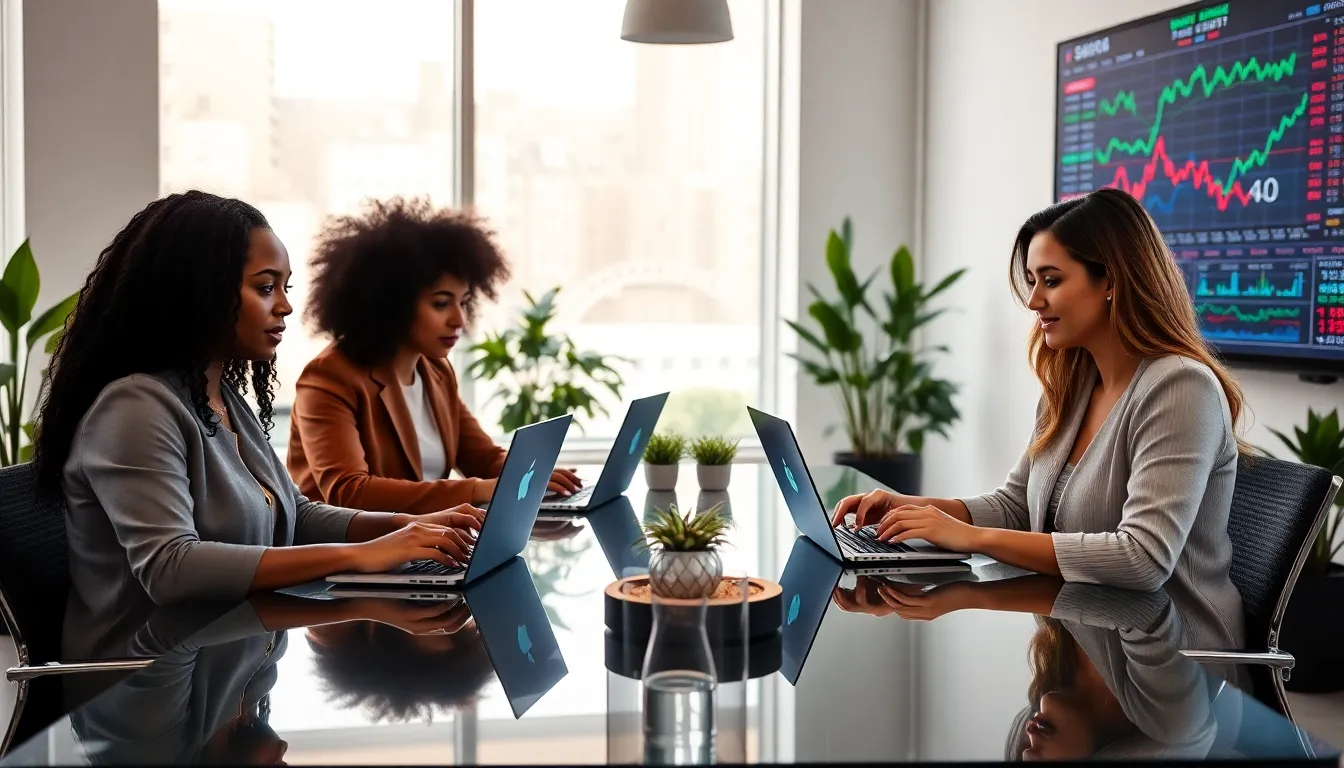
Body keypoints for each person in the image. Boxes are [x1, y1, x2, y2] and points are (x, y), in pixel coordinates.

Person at [34, 191, 485, 659]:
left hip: (222, 652)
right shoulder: (135, 408)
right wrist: (365, 555)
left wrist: (411, 527)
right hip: (141, 687)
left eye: (285, 288)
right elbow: (171, 567)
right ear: (199, 290)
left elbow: (298, 514)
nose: (285, 307)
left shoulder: (220, 395)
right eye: (266, 287)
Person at [832, 188, 1245, 645]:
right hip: (1085, 628)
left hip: (1173, 658)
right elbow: (1015, 506)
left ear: (1111, 281)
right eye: (1031, 280)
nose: (1032, 301)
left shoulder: (1181, 387)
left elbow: (1142, 559)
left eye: (1050, 280)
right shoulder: (1070, 386)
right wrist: (919, 508)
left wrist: (969, 538)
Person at [286, 197, 581, 514]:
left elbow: (482, 457)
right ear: (392, 304)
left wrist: (534, 474)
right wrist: (483, 489)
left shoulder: (436, 370)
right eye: (441, 304)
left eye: (463, 302)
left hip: (422, 546)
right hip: (348, 554)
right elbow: (349, 492)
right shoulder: (329, 378)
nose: (459, 319)